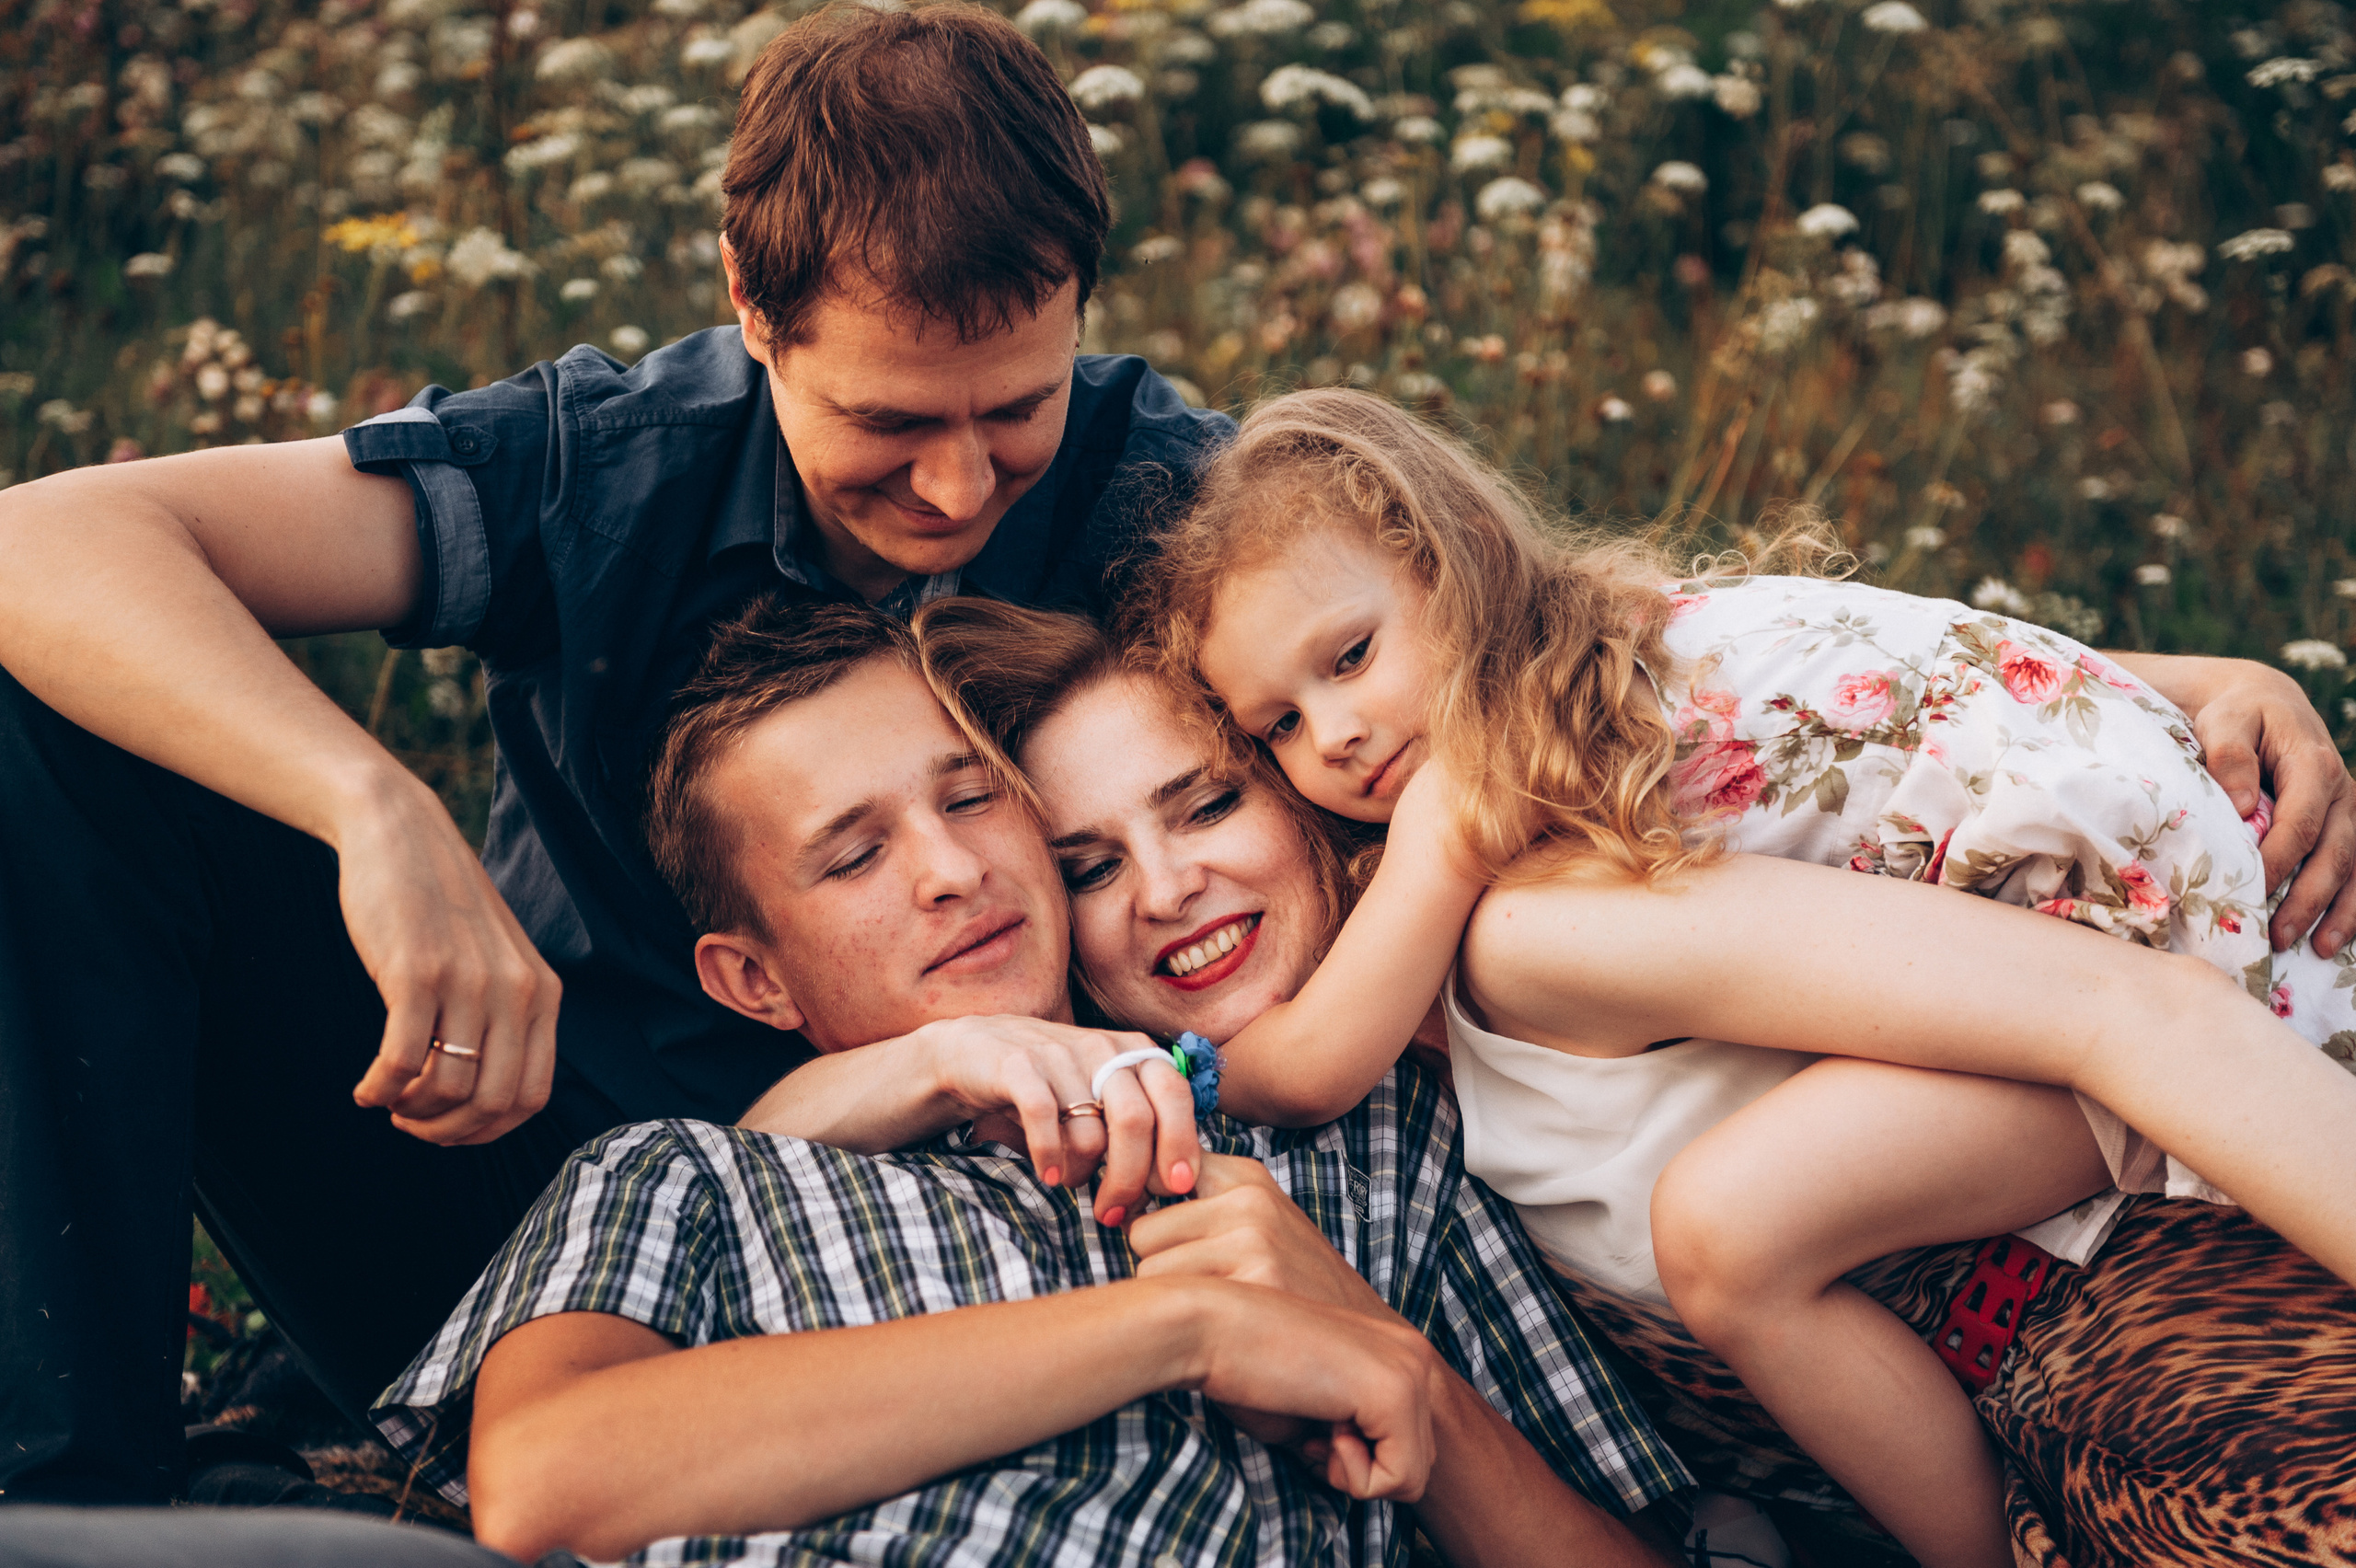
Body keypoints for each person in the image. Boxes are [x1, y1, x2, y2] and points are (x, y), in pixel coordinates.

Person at [0, 1, 1230, 1505]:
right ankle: (70, 1502)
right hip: (542, 1229)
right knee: (55, 724)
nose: (960, 483)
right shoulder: (603, 467)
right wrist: (376, 809)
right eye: (889, 418)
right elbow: (39, 543)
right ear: (750, 308)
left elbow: (1447, 702)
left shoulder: (1171, 488)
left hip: (1053, 1200)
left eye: (1020, 408)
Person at [814, 594, 2356, 1568]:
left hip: (2193, 1342)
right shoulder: (1312, 1101)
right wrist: (944, 1053)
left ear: (1308, 785)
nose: (1164, 889)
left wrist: (2211, 688)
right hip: (2042, 1465)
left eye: (1209, 799)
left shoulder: (1533, 930)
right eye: (1087, 868)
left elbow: (2114, 1000)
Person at [1124, 388, 2356, 1568]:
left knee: (1727, 1232)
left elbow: (1321, 1061)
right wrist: (2223, 683)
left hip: (2128, 926)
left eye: (1349, 656)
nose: (1330, 735)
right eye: (1276, 725)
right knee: (1735, 1231)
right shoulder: (1640, 625)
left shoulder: (1471, 790)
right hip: (2143, 837)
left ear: (1454, 573)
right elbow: (1971, 662)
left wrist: (1152, 1060)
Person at [356, 595, 1691, 1568]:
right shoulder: (686, 1173)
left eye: (972, 798)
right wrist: (1186, 1334)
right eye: (853, 856)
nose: (950, 870)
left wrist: (1394, 1368)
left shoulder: (1360, 1142)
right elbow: (544, 1478)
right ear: (753, 982)